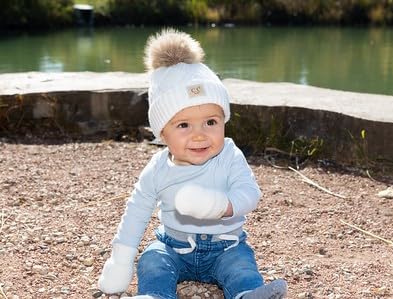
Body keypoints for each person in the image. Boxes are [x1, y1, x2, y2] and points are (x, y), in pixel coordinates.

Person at [98, 28, 288, 299]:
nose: (200, 134)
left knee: (242, 266)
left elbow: (249, 194)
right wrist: (121, 259)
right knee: (152, 262)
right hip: (173, 247)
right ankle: (154, 296)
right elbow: (137, 211)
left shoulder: (230, 155)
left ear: (224, 121)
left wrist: (222, 206)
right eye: (184, 125)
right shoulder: (158, 168)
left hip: (226, 247)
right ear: (163, 133)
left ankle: (247, 293)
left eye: (211, 122)